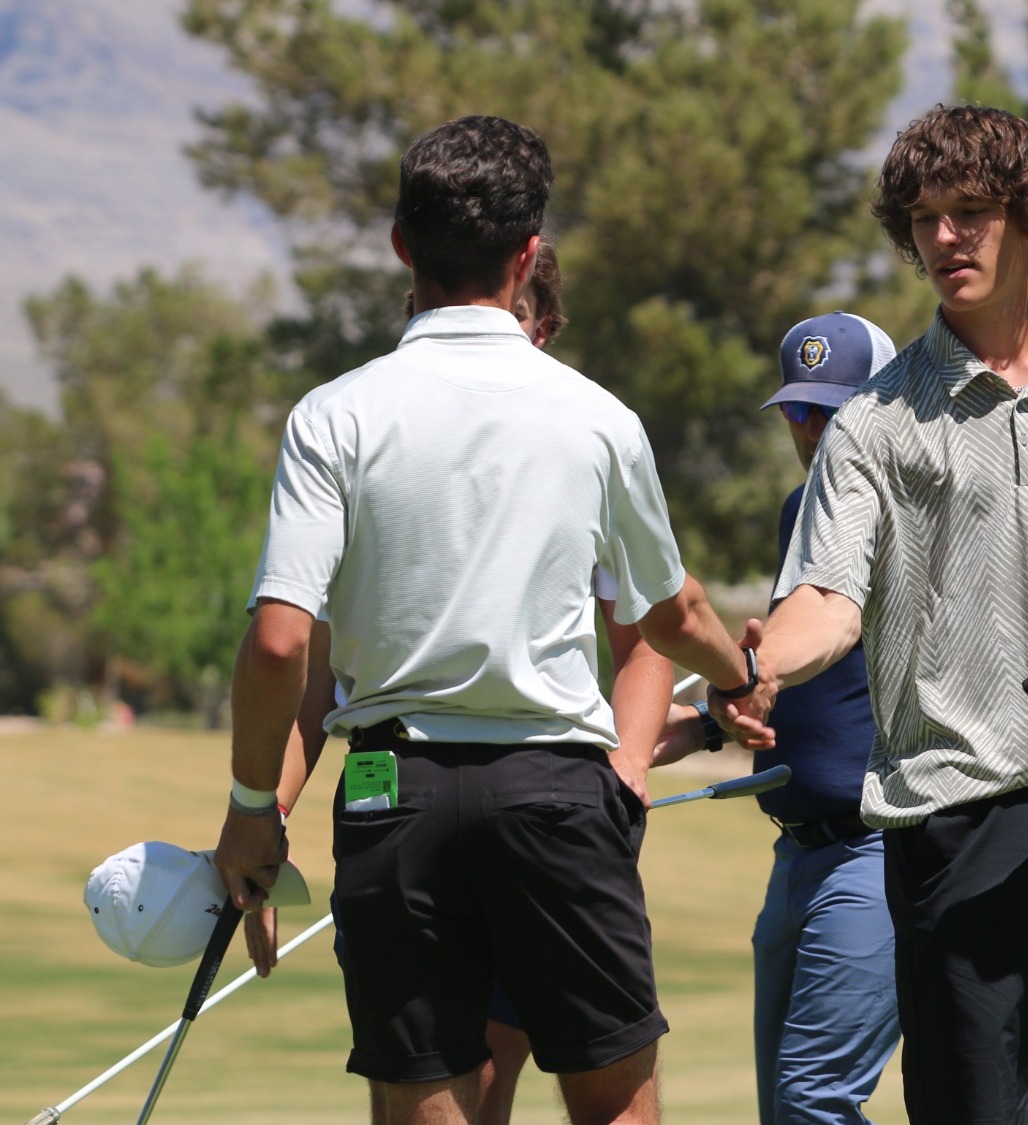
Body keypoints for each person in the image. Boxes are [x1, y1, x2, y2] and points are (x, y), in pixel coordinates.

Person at [213, 115, 765, 1125]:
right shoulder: (598, 417)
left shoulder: (333, 414)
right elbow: (673, 614)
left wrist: (256, 804)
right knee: (612, 1105)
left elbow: (283, 644)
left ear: (398, 248)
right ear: (527, 257)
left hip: (391, 795)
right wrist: (735, 680)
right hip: (553, 792)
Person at [713, 105, 1028, 1125]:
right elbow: (826, 601)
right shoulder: (871, 423)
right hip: (957, 812)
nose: (944, 237)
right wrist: (768, 662)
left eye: (972, 211)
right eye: (924, 217)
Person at [249, 237, 670, 1125]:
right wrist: (267, 811)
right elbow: (313, 672)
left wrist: (627, 769)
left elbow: (643, 634)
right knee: (594, 1102)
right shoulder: (599, 418)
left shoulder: (340, 412)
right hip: (518, 793)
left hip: (418, 794)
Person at [661, 312, 902, 1124]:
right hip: (796, 854)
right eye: (799, 410)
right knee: (788, 1111)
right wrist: (702, 722)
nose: (809, 428)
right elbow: (791, 674)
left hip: (877, 848)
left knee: (814, 1102)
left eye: (830, 411)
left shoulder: (912, 508)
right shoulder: (803, 510)